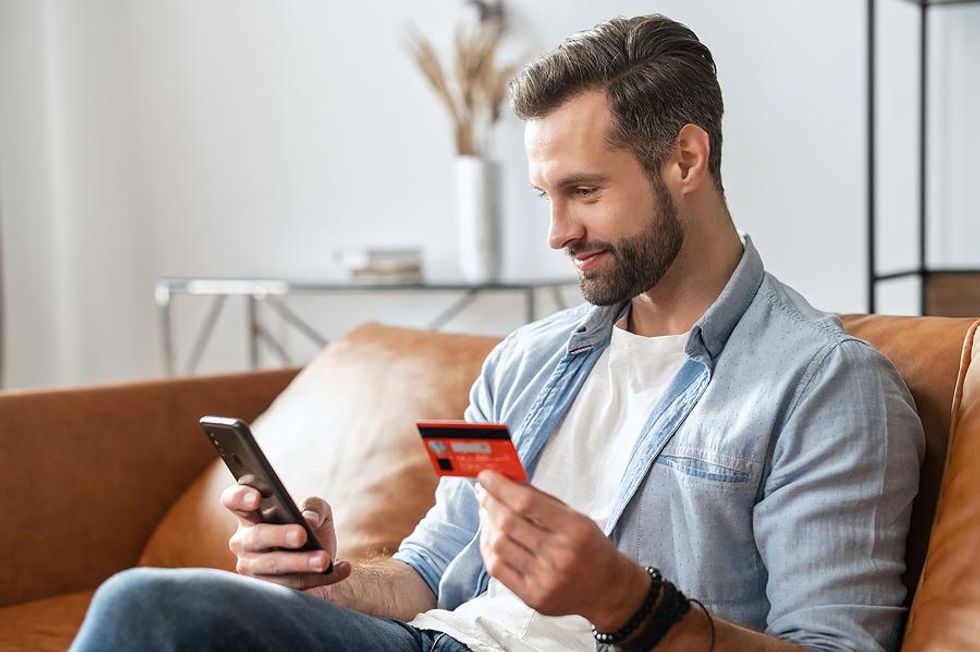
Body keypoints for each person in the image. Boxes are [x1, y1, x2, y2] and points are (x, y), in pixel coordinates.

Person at [71, 13, 924, 652]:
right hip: (436, 640)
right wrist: (329, 576)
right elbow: (427, 571)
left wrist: (629, 602)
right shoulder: (525, 361)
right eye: (544, 196)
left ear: (686, 160)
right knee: (151, 606)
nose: (557, 232)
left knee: (140, 611)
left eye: (584, 191)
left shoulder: (825, 384)